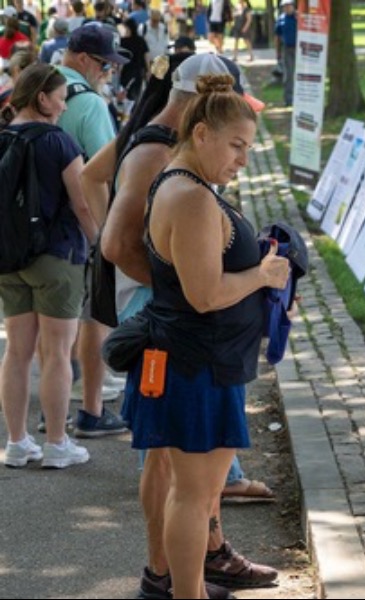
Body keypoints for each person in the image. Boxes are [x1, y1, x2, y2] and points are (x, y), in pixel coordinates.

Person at [83, 52, 278, 598]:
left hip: (189, 354)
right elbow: (204, 292)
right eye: (237, 146)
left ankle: (180, 582)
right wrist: (260, 275)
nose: (243, 159)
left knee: (184, 489)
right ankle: (180, 587)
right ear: (201, 132)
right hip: (193, 359)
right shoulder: (185, 189)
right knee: (192, 495)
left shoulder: (181, 176)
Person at [0, 63, 99, 469]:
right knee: (57, 353)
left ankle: (17, 442)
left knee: (17, 352)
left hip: (8, 258)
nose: (62, 106)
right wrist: (98, 242)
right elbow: (81, 201)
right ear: (42, 98)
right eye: (59, 98)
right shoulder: (60, 142)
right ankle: (57, 443)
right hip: (57, 257)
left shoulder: (2, 136)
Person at [58, 22, 131, 438]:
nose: (107, 73)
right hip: (77, 227)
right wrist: (109, 231)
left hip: (24, 227)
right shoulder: (88, 104)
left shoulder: (30, 84)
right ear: (84, 59)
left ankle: (51, 411)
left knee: (35, 331)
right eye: (104, 64)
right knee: (93, 315)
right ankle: (90, 408)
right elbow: (108, 173)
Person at [275, 0, 296, 107]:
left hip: (299, 48)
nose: (287, 8)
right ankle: (288, 99)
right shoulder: (281, 19)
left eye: (289, 6)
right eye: (285, 6)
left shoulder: (298, 17)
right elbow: (277, 37)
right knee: (289, 74)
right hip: (286, 49)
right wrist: (277, 52)